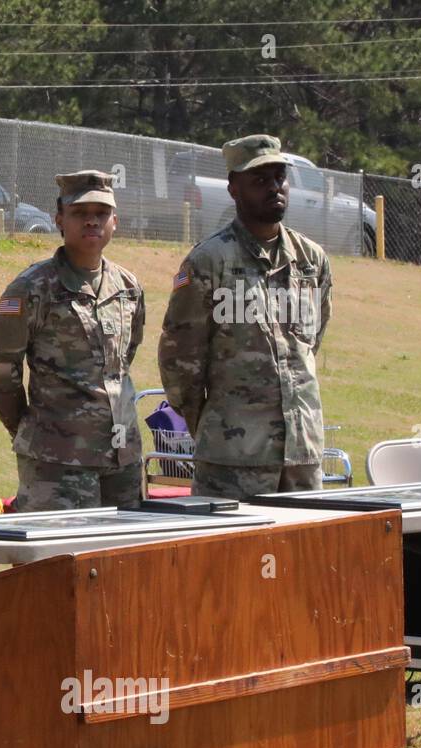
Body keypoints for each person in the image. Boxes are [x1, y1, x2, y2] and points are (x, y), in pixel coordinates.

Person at [158, 134, 332, 501]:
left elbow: (312, 340)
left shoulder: (311, 260)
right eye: (259, 180)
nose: (274, 188)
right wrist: (211, 426)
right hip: (233, 460)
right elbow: (180, 360)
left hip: (301, 455)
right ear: (233, 188)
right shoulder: (209, 262)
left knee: (305, 558)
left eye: (279, 178)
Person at [0, 170, 146, 510]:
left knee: (122, 559)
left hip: (122, 459)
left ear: (115, 221)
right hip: (57, 464)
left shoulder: (128, 287)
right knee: (60, 560)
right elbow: (0, 371)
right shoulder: (31, 288)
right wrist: (30, 430)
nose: (92, 222)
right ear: (59, 219)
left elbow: (123, 359)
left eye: (101, 214)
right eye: (80, 214)